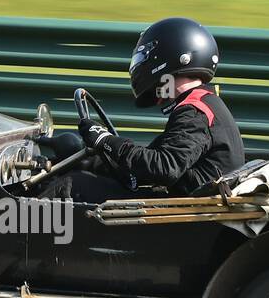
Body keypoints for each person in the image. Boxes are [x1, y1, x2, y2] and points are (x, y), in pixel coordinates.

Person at [41, 17, 244, 202]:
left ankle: (16, 228)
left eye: (145, 57)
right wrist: (85, 160)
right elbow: (146, 165)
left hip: (184, 219)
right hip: (185, 207)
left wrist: (106, 140)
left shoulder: (196, 111)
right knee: (78, 175)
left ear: (167, 57)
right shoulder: (204, 104)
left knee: (72, 185)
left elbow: (163, 168)